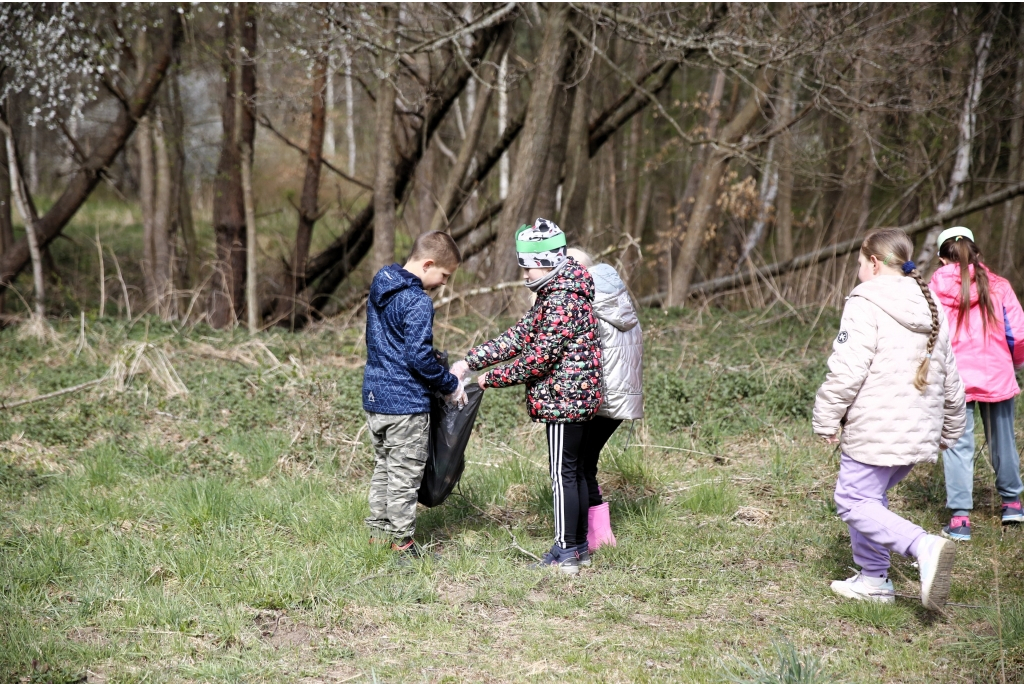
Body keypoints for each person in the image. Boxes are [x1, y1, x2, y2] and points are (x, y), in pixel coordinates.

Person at [813, 228, 966, 609]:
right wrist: (950, 428)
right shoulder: (929, 300)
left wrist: (826, 417)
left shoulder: (865, 300)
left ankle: (923, 546)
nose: (859, 270)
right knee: (869, 499)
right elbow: (950, 372)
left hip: (876, 426)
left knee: (851, 501)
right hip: (916, 431)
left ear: (875, 263)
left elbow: (848, 370)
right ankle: (874, 580)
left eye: (861, 263)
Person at [450, 219, 603, 575]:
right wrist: (470, 362)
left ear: (548, 261)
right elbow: (520, 336)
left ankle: (567, 551)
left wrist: (490, 379)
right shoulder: (558, 293)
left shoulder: (562, 299)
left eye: (528, 265)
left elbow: (537, 358)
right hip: (573, 398)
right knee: (574, 472)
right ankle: (578, 547)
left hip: (565, 400)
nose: (523, 273)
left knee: (563, 475)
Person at [362, 231, 468, 560]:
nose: (444, 284)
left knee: (384, 467)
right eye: (444, 276)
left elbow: (394, 344)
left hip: (375, 396)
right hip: (405, 402)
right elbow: (417, 359)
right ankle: (403, 544)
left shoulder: (382, 284)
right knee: (405, 474)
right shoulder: (418, 301)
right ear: (428, 264)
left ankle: (377, 536)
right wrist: (450, 384)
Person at [930, 227, 1024, 541]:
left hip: (953, 378)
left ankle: (959, 521)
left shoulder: (933, 290)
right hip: (996, 373)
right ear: (977, 255)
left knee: (956, 446)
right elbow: (1018, 335)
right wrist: (1014, 363)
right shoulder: (999, 286)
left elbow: (928, 336)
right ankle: (1012, 504)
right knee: (1003, 440)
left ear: (942, 258)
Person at [565, 248, 643, 556]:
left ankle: (581, 538)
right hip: (621, 398)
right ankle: (600, 537)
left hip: (599, 396)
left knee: (576, 466)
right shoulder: (617, 298)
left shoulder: (587, 302)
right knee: (586, 463)